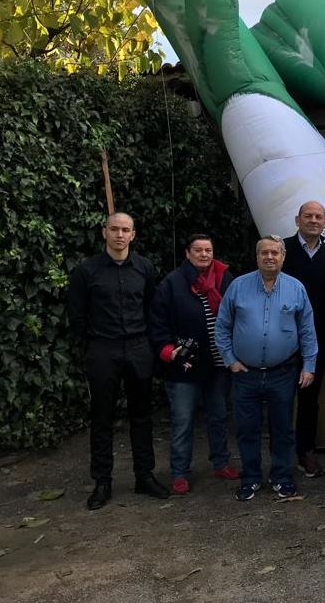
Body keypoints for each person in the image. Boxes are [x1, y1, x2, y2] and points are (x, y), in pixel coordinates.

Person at [67, 212, 169, 510]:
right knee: (102, 418)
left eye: (125, 230)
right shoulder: (86, 272)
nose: (120, 235)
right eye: (114, 229)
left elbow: (153, 308)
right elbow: (77, 317)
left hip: (139, 348)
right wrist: (93, 346)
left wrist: (149, 345)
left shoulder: (145, 268)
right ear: (104, 233)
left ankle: (144, 476)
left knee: (142, 415)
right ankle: (102, 482)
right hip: (102, 350)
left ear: (133, 234)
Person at [215, 236, 318, 501]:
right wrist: (229, 359)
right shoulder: (238, 286)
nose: (269, 257)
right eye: (264, 253)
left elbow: (307, 330)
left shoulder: (296, 288)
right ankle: (250, 478)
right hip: (245, 373)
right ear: (257, 257)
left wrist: (309, 365)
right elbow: (222, 326)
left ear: (283, 257)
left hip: (283, 372)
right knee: (247, 428)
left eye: (275, 253)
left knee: (282, 428)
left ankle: (281, 477)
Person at [149, 234, 238, 495]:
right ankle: (179, 472)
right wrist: (168, 351)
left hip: (218, 363)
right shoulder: (171, 284)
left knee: (219, 415)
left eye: (208, 250)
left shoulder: (225, 279)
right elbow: (158, 322)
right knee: (183, 420)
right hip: (183, 366)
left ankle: (221, 462)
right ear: (187, 253)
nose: (204, 254)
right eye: (198, 250)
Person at [282, 201, 325, 478]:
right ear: (297, 220)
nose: (313, 220)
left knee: (309, 398)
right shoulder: (282, 251)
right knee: (280, 397)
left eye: (319, 216)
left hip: (316, 340)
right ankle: (280, 456)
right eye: (308, 216)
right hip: (282, 337)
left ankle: (306, 452)